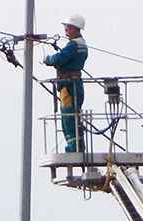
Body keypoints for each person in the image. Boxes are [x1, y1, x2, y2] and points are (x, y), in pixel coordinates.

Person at [43, 14, 89, 152]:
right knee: (75, 114)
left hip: (69, 85)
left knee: (68, 115)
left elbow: (60, 58)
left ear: (75, 28)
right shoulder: (82, 45)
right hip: (76, 84)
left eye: (68, 27)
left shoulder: (73, 45)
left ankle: (73, 145)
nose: (65, 30)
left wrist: (48, 59)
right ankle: (78, 143)